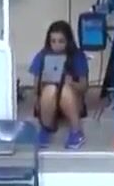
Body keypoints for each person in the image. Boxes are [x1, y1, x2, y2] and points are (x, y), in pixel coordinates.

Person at [29, 20, 89, 150]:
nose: (57, 45)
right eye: (53, 41)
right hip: (48, 101)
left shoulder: (77, 56)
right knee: (50, 89)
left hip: (72, 101)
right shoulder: (42, 56)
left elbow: (84, 87)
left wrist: (71, 82)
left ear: (68, 41)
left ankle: (76, 131)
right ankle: (46, 129)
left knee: (65, 89)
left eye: (61, 41)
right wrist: (45, 81)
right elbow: (36, 89)